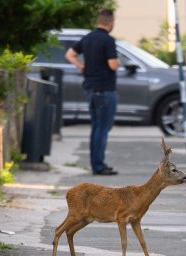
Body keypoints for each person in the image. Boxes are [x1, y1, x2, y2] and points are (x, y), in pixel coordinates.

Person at [65, 9, 120, 175]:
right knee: (103, 128)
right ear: (110, 22)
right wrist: (117, 61)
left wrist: (82, 66)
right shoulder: (108, 40)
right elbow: (113, 65)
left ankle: (97, 163)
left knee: (96, 127)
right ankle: (98, 165)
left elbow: (70, 54)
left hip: (90, 89)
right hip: (105, 90)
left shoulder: (87, 38)